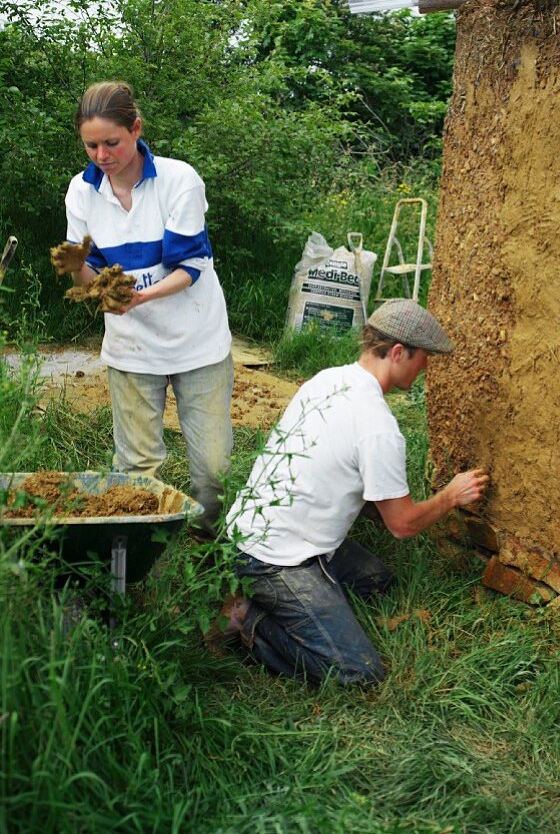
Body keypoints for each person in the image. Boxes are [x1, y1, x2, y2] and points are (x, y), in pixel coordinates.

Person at [222, 299, 488, 685]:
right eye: (423, 357)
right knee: (358, 671)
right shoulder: (377, 426)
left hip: (253, 532)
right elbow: (401, 525)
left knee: (375, 579)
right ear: (398, 353)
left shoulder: (326, 380)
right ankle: (251, 621)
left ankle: (293, 603)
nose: (426, 367)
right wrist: (450, 496)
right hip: (272, 557)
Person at [58, 80, 233, 533]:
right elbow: (93, 277)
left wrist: (139, 297)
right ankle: (140, 552)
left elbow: (190, 266)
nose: (101, 155)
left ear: (135, 129)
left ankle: (207, 545)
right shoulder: (81, 191)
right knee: (136, 464)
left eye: (111, 142)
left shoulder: (179, 180)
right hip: (133, 347)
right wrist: (80, 268)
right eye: (91, 145)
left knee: (213, 466)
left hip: (197, 338)